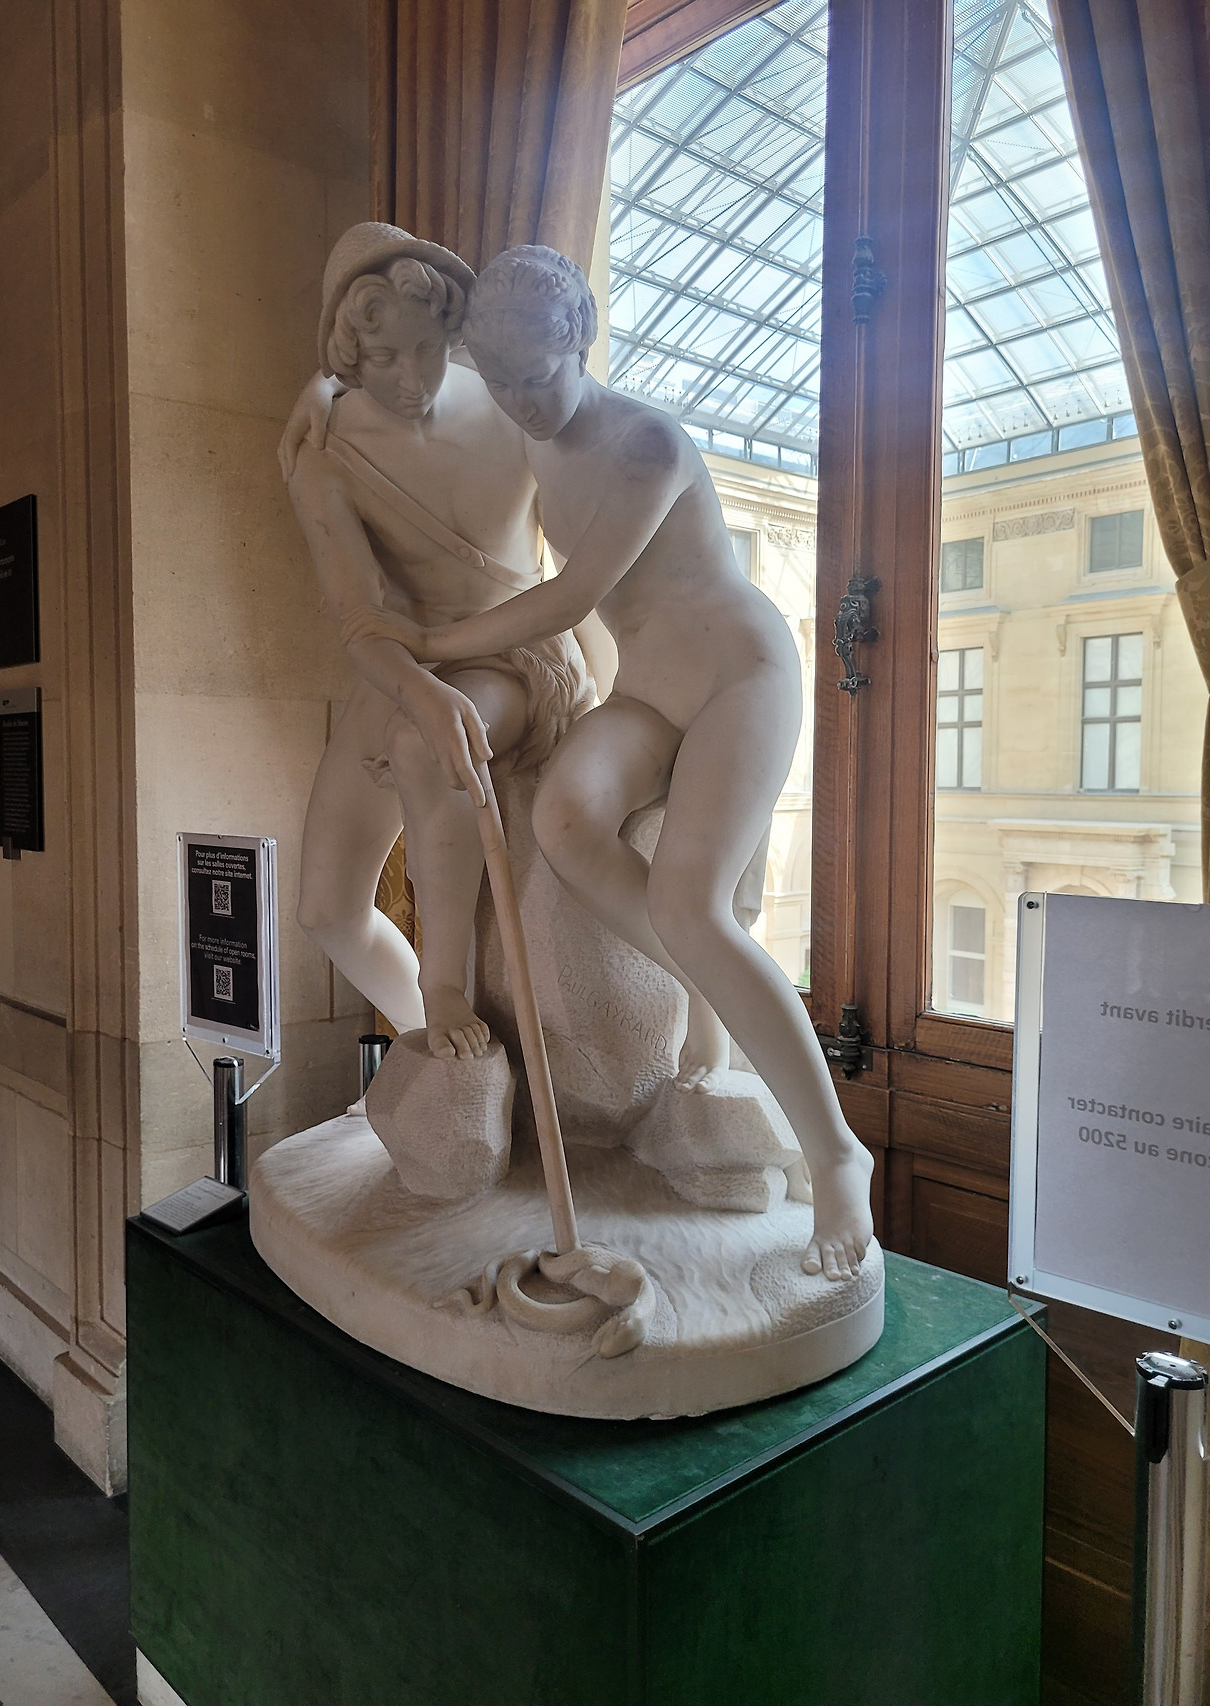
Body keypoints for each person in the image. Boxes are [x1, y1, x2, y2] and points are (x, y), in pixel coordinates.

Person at [349, 245, 874, 1281]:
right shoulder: (523, 425)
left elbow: (569, 596)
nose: (520, 401)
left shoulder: (645, 444)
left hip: (737, 676)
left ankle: (834, 1152)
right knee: (563, 819)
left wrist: (428, 648)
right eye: (501, 378)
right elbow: (396, 408)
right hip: (645, 695)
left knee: (688, 904)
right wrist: (318, 411)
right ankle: (715, 984)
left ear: (580, 342)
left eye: (538, 376)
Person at [282, 223, 590, 1062]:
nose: (411, 379)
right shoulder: (327, 452)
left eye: (425, 349)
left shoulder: (514, 405)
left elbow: (591, 553)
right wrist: (416, 685)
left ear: (453, 331)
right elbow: (360, 619)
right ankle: (443, 1060)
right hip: (400, 664)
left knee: (427, 746)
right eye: (384, 358)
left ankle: (443, 984)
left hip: (519, 657)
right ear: (349, 350)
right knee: (325, 909)